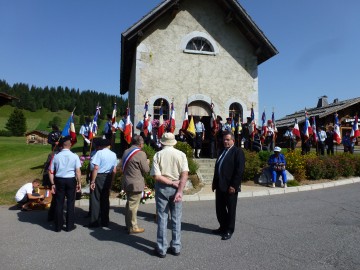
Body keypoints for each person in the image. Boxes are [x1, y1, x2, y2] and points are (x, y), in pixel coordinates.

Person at [150, 133, 189, 258]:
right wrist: (179, 190)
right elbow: (185, 174)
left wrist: (170, 182)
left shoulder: (158, 154)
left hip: (163, 187)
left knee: (162, 217)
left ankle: (162, 248)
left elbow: (156, 176)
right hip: (177, 185)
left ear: (162, 142)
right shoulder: (181, 155)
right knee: (176, 218)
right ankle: (176, 246)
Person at [211, 131, 245, 241]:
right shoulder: (221, 151)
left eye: (227, 140)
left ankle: (229, 230)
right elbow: (218, 168)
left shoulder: (237, 152)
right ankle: (222, 227)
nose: (225, 141)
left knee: (230, 210)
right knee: (219, 209)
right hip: (220, 186)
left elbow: (239, 171)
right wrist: (214, 183)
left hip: (230, 187)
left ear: (233, 141)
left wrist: (234, 185)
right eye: (224, 139)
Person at [49, 136, 82, 232]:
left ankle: (58, 226)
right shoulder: (75, 156)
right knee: (70, 203)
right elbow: (78, 171)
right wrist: (79, 182)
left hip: (59, 180)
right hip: (71, 179)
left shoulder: (56, 156)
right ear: (70, 145)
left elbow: (51, 171)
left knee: (59, 203)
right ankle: (69, 226)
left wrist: (52, 184)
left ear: (62, 145)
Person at [121, 135, 150, 234]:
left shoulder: (126, 151)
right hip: (135, 183)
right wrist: (147, 162)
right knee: (133, 206)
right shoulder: (141, 154)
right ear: (141, 144)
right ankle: (133, 227)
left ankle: (128, 225)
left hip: (127, 181)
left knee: (129, 204)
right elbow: (146, 170)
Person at [87, 139, 118, 227]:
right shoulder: (113, 154)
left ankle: (94, 221)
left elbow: (96, 168)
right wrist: (111, 181)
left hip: (99, 176)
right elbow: (114, 170)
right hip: (108, 176)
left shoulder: (99, 153)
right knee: (105, 199)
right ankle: (105, 221)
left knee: (95, 198)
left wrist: (93, 181)